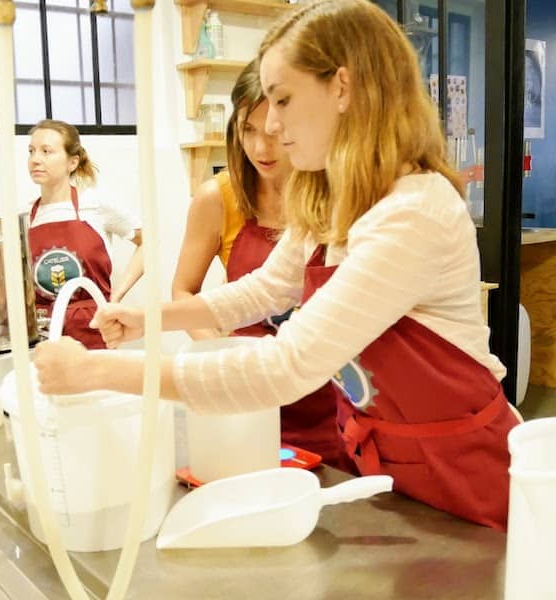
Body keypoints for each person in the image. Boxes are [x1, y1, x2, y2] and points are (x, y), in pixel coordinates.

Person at [33, 0, 520, 530]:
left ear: (342, 87)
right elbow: (264, 289)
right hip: (387, 463)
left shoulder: (413, 211)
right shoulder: (334, 199)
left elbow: (286, 365)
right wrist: (151, 319)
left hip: (463, 469)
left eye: (283, 99)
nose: (272, 124)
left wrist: (96, 371)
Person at [172, 58, 339, 463]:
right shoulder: (219, 198)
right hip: (247, 396)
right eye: (248, 130)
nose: (261, 149)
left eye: (273, 133)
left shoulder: (333, 194)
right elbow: (184, 291)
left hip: (328, 398)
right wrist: (221, 352)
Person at [27, 119, 143, 349]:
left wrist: (115, 296)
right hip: (45, 336)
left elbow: (147, 243)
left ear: (72, 162)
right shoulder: (27, 216)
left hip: (94, 330)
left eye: (46, 151)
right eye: (31, 151)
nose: (35, 159)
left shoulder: (94, 205)